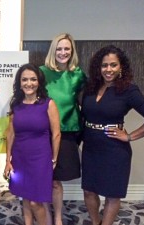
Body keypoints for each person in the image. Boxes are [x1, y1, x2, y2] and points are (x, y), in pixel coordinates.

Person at [81, 45, 144, 225]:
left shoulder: (128, 90)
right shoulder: (91, 87)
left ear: (121, 67)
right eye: (104, 65)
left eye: (113, 65)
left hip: (115, 150)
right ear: (98, 67)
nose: (108, 70)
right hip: (91, 147)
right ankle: (96, 222)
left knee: (112, 194)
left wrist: (130, 136)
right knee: (89, 190)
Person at [3, 63, 61, 225]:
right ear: (19, 83)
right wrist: (8, 160)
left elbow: (56, 134)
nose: (29, 83)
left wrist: (54, 158)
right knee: (26, 198)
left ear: (39, 82)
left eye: (33, 79)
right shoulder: (16, 105)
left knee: (36, 202)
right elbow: (11, 133)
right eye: (25, 79)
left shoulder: (48, 104)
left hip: (40, 159)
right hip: (20, 158)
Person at [39, 33, 87, 225]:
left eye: (67, 48)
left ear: (72, 51)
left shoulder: (78, 75)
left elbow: (89, 101)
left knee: (57, 180)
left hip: (66, 133)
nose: (63, 52)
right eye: (59, 48)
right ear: (53, 50)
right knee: (44, 179)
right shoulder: (41, 72)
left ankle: (57, 217)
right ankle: (47, 217)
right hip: (42, 132)